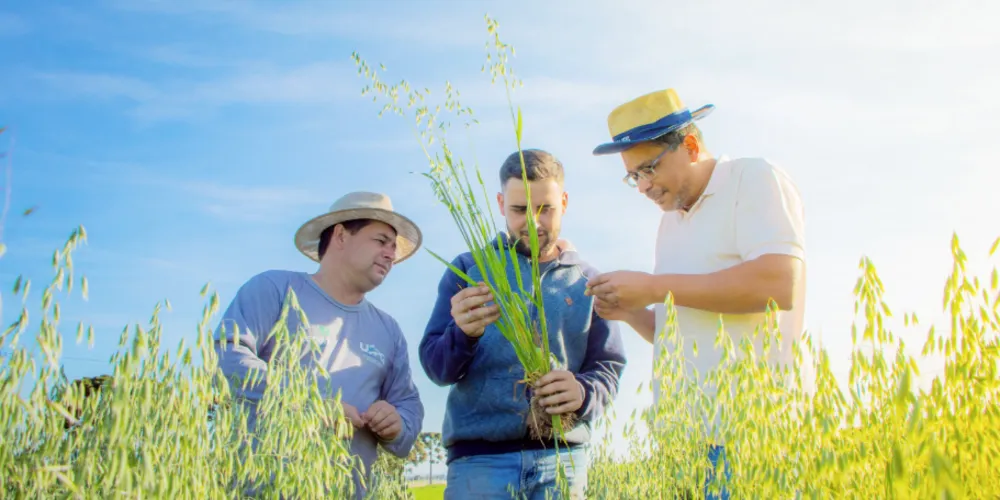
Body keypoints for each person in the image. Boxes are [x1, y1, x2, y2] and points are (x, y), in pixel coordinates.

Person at [587, 88, 807, 499]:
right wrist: (631, 312)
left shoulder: (754, 178)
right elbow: (679, 329)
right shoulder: (670, 224)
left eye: (648, 169)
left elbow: (778, 284)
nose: (642, 187)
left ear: (689, 145)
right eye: (633, 176)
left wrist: (652, 287)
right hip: (683, 443)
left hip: (747, 436)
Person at [419, 149, 627, 500]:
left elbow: (609, 366)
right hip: (479, 463)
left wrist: (584, 392)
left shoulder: (589, 280)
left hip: (563, 459)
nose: (533, 222)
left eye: (546, 208)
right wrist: (463, 334)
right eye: (519, 210)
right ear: (501, 204)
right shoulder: (468, 268)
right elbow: (436, 367)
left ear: (564, 201)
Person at [213, 191, 425, 498]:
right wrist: (312, 407)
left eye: (394, 247)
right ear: (340, 235)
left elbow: (408, 409)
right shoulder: (274, 290)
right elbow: (228, 359)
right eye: (380, 241)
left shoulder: (388, 330)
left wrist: (397, 425)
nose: (391, 254)